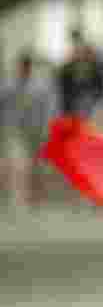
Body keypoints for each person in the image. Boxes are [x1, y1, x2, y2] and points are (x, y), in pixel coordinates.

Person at [0, 51, 58, 208]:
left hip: (36, 129)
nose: (23, 69)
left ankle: (36, 195)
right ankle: (19, 197)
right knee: (20, 163)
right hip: (15, 129)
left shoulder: (40, 85)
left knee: (36, 164)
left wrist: (49, 126)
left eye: (26, 66)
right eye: (21, 66)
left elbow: (49, 107)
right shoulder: (7, 84)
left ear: (29, 67)